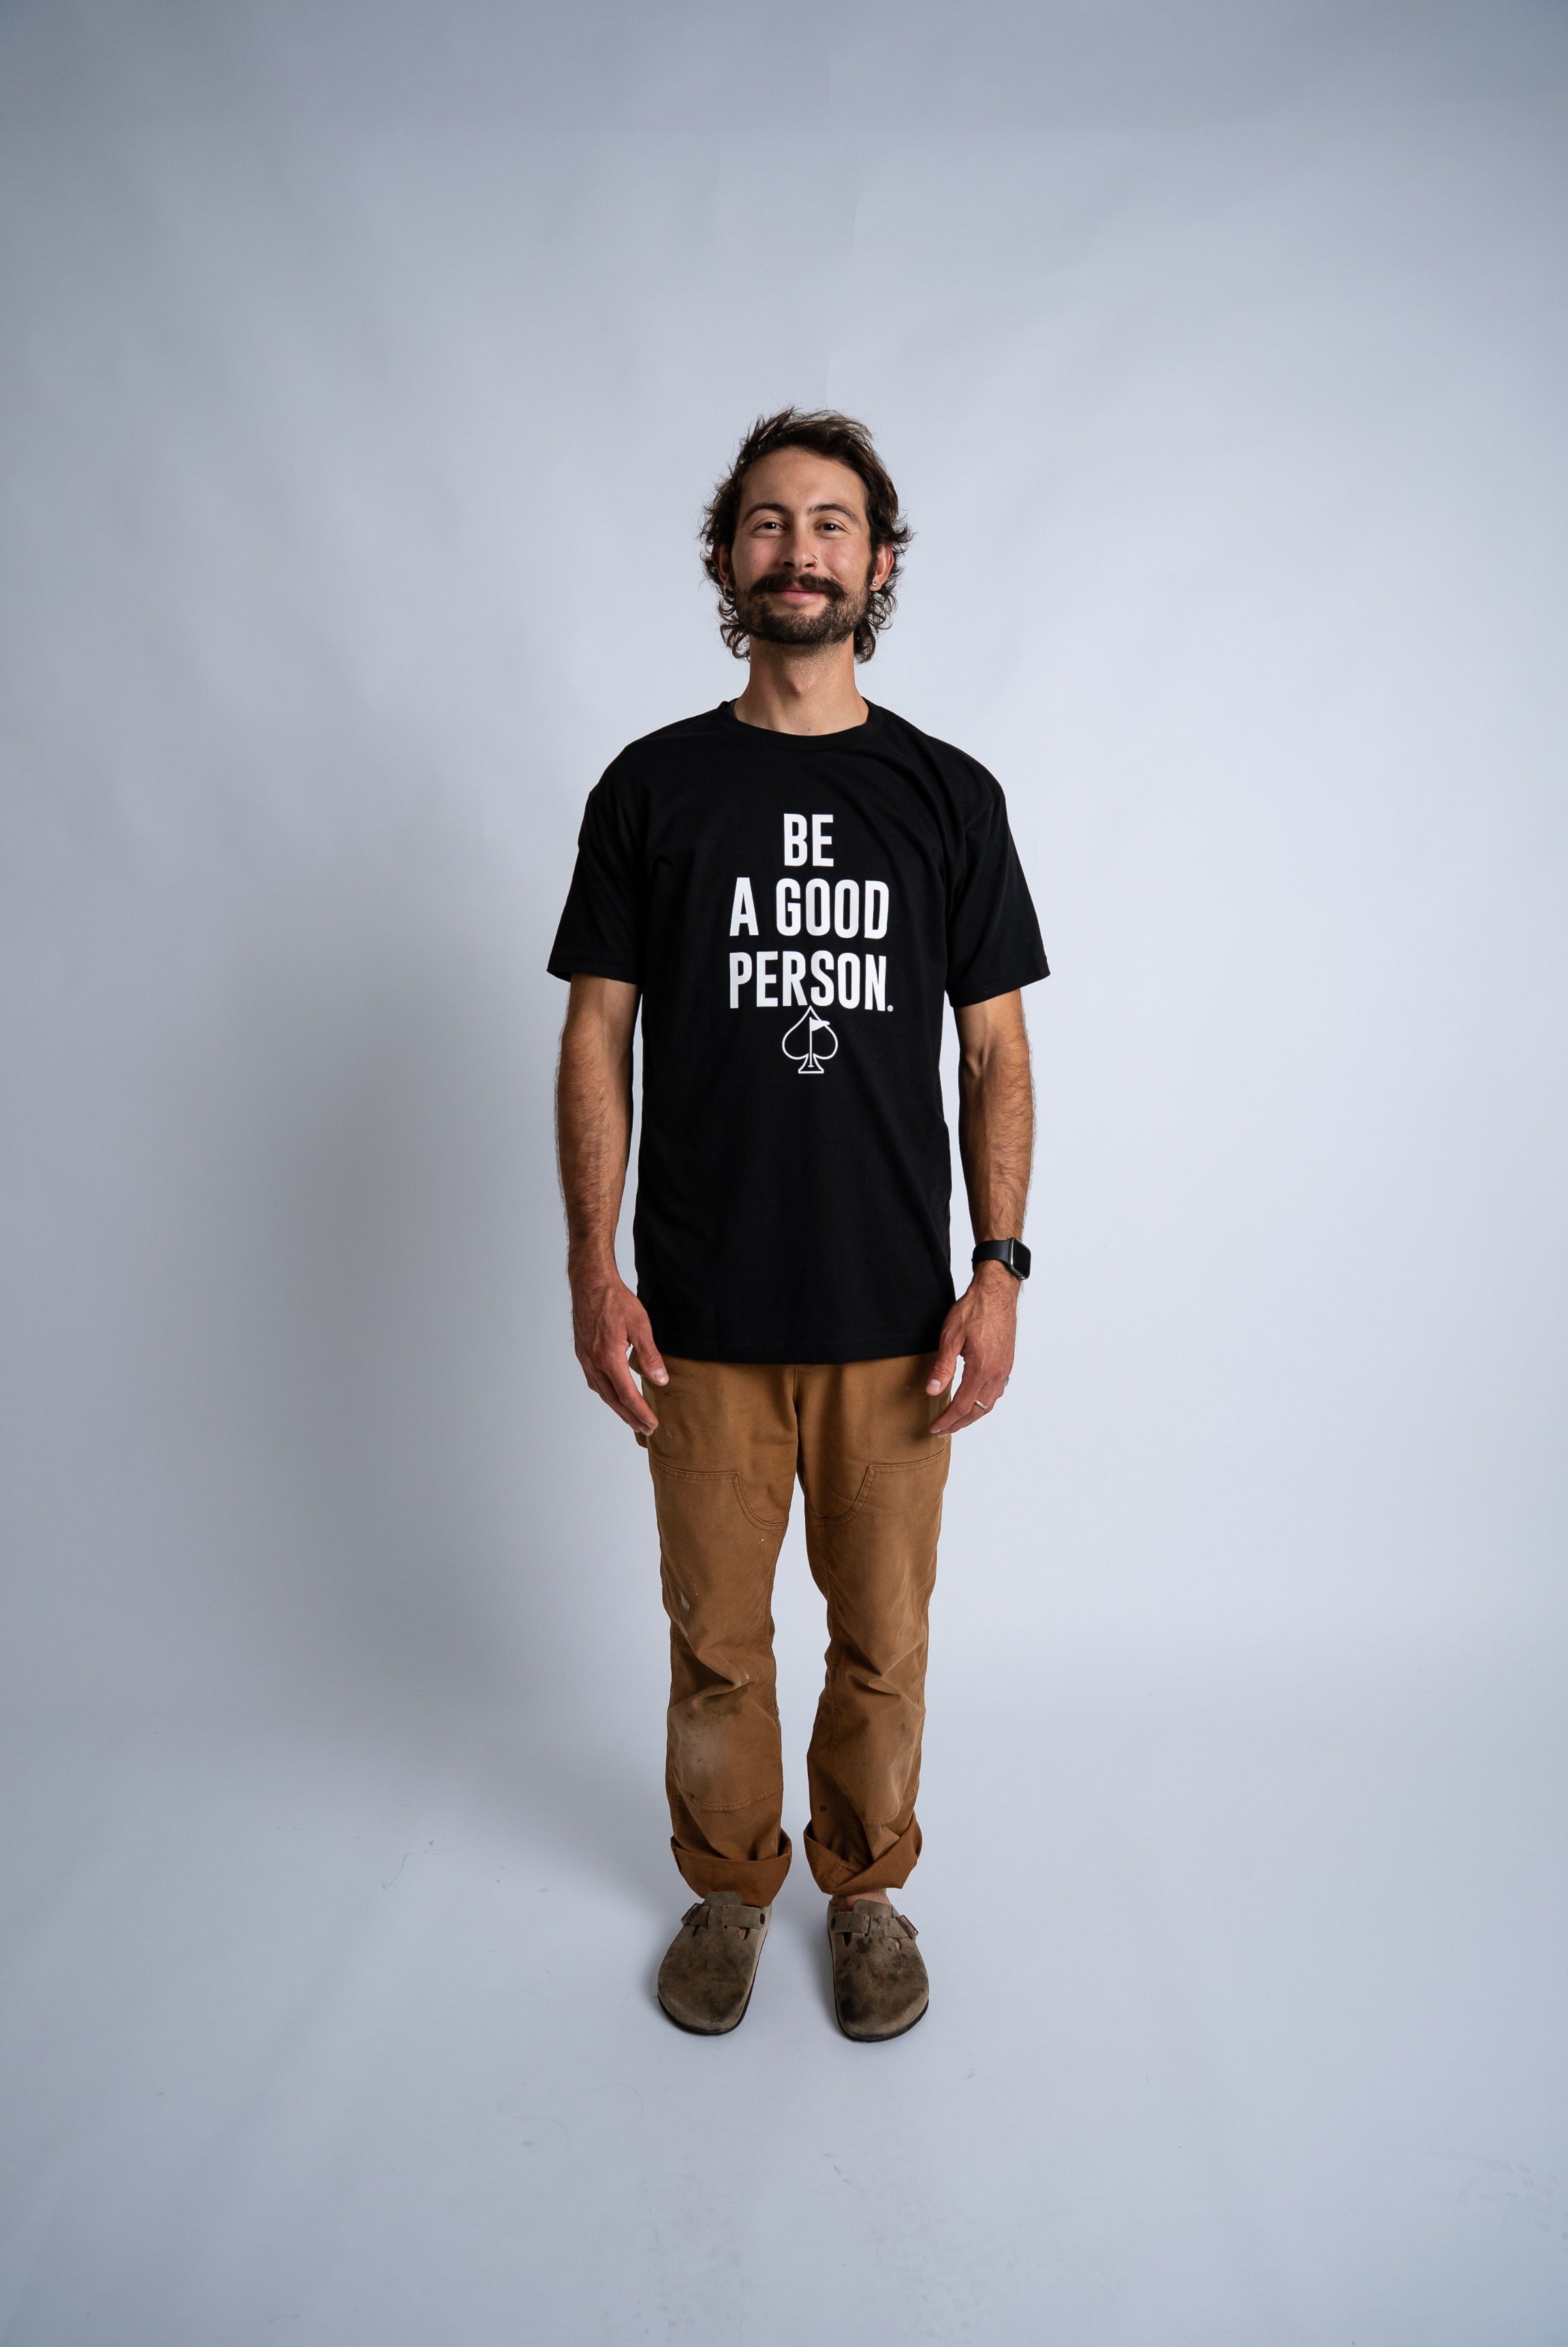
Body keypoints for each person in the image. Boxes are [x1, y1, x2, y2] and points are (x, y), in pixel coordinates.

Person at [548, 408, 1048, 2040]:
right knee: (715, 1644)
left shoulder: (946, 794)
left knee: (882, 1640)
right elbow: (596, 1034)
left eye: (831, 524)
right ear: (724, 559)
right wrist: (592, 1265)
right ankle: (725, 1886)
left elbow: (994, 1051)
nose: (799, 550)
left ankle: (866, 1889)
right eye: (767, 522)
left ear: (878, 564)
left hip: (895, 1313)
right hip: (697, 1312)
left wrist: (997, 1268)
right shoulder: (651, 787)